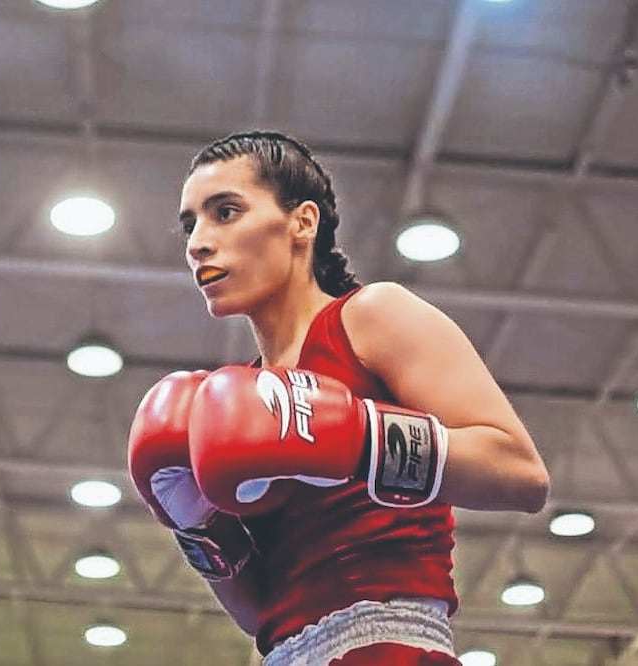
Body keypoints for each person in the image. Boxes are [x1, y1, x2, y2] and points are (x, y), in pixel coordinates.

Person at [127, 131, 550, 666]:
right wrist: (200, 528)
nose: (198, 243)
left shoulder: (372, 317)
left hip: (390, 644)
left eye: (226, 212)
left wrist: (355, 436)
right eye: (191, 225)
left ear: (302, 222)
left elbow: (521, 473)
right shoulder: (234, 404)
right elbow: (262, 615)